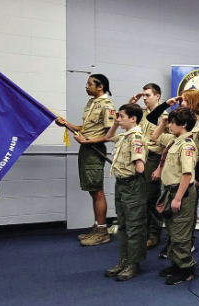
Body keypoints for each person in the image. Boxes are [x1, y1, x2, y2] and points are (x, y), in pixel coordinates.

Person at [55, 74, 115, 246]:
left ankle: (102, 231)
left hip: (94, 150)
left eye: (89, 84)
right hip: (87, 148)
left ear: (100, 86)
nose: (86, 86)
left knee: (97, 190)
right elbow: (85, 128)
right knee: (92, 190)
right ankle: (97, 227)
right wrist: (66, 124)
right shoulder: (91, 103)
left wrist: (88, 141)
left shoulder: (107, 106)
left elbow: (109, 135)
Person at [149, 89, 199, 259]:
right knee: (172, 219)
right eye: (181, 100)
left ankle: (185, 245)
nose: (181, 102)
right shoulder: (175, 128)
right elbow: (153, 122)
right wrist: (166, 105)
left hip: (188, 174)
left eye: (184, 100)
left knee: (185, 216)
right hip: (173, 176)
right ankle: (173, 246)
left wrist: (198, 178)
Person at [151, 107, 199, 285]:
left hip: (181, 192)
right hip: (170, 191)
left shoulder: (187, 145)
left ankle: (186, 269)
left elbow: (187, 175)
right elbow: (154, 137)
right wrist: (163, 122)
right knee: (171, 231)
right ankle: (176, 264)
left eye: (172, 123)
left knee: (180, 233)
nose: (169, 126)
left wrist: (178, 198)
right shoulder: (174, 140)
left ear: (184, 125)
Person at [102, 103, 147, 281]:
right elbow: (108, 136)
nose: (117, 120)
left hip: (132, 185)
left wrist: (134, 166)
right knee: (122, 224)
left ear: (133, 118)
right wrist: (115, 123)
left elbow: (140, 167)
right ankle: (124, 259)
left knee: (134, 226)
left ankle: (133, 264)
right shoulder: (124, 136)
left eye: (121, 117)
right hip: (121, 185)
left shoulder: (136, 137)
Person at [128, 83, 165, 250]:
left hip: (153, 157)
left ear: (157, 96)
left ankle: (154, 234)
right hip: (139, 157)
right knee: (140, 197)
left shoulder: (164, 116)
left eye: (147, 95)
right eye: (143, 95)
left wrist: (160, 168)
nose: (144, 98)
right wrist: (131, 103)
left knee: (151, 197)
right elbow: (127, 119)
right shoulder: (141, 113)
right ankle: (143, 231)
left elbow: (167, 145)